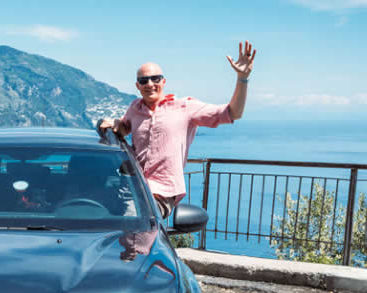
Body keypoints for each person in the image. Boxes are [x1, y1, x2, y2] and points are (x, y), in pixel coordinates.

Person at [100, 41, 257, 219]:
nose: (150, 84)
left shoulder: (185, 107)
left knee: (132, 221)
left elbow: (233, 112)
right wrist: (115, 124)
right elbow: (124, 128)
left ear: (164, 81)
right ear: (138, 86)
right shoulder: (135, 109)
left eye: (155, 79)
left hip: (161, 193)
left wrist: (242, 78)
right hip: (132, 186)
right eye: (144, 80)